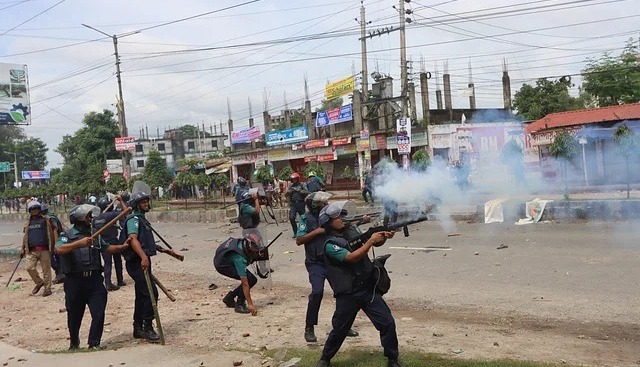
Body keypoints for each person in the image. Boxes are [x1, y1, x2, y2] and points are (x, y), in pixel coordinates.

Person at [315, 202, 401, 367]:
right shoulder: (330, 244)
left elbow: (373, 241)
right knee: (340, 329)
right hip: (348, 293)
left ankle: (392, 359)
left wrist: (382, 237)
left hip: (367, 288)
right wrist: (370, 242)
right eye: (337, 217)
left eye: (341, 215)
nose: (341, 218)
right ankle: (325, 358)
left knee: (387, 322)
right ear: (328, 222)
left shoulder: (352, 230)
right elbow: (351, 257)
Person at [55, 204, 130, 350]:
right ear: (80, 219)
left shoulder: (95, 235)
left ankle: (94, 343)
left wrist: (122, 247)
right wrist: (79, 243)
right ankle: (74, 342)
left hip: (94, 281)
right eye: (88, 217)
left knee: (99, 312)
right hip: (75, 282)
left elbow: (107, 248)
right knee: (74, 316)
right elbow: (59, 249)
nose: (91, 219)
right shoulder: (67, 236)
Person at [296, 192, 359, 343]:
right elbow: (299, 240)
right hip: (315, 262)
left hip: (331, 261)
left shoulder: (331, 216)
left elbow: (344, 224)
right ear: (315, 206)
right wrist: (317, 231)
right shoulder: (306, 219)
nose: (326, 205)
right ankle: (309, 327)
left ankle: (341, 324)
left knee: (343, 292)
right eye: (323, 203)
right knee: (317, 292)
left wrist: (359, 222)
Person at [124, 191, 161, 343]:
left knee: (141, 295)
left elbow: (143, 240)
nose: (146, 204)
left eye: (147, 201)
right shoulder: (134, 220)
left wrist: (157, 248)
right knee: (151, 293)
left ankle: (137, 327)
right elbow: (133, 240)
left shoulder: (142, 219)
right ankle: (147, 326)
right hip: (137, 263)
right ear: (136, 205)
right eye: (143, 202)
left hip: (143, 261)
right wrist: (144, 257)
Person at [214, 233, 264, 315]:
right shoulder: (239, 258)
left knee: (251, 279)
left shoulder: (243, 243)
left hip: (224, 258)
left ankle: (230, 297)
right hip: (223, 266)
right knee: (250, 279)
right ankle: (240, 304)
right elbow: (245, 283)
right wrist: (250, 304)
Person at [21, 201, 56, 297]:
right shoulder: (28, 222)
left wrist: (55, 245)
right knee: (29, 268)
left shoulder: (46, 220)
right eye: (32, 209)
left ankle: (47, 289)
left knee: (46, 270)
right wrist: (22, 248)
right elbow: (25, 236)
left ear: (39, 210)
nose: (34, 211)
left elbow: (54, 230)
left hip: (44, 249)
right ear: (29, 211)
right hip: (31, 250)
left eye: (36, 209)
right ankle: (39, 282)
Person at [94, 196, 125, 291]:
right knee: (117, 261)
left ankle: (107, 282)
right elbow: (125, 211)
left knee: (107, 263)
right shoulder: (111, 215)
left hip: (102, 242)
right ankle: (119, 280)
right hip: (113, 241)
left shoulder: (96, 217)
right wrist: (121, 201)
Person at [42, 203, 66, 284]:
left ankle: (60, 274)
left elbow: (55, 230)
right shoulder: (47, 216)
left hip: (56, 239)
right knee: (57, 258)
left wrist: (55, 244)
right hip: (52, 240)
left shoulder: (50, 217)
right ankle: (60, 274)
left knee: (53, 258)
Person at [285, 173, 309, 237]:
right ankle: (295, 232)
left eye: (295, 179)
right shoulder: (290, 186)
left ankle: (304, 230)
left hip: (301, 203)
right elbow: (286, 194)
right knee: (291, 217)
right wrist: (289, 192)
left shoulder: (302, 185)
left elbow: (307, 192)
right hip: (293, 204)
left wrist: (300, 191)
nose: (294, 180)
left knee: (304, 218)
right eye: (293, 179)